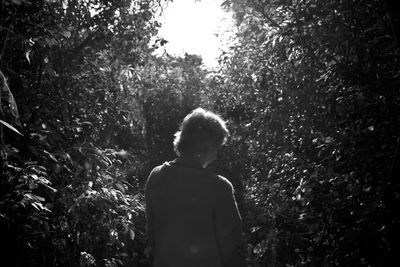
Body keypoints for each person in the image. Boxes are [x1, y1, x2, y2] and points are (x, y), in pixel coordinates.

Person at [145, 108, 247, 267]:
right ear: (208, 147)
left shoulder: (156, 177)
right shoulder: (219, 188)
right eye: (217, 147)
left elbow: (152, 236)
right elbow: (232, 248)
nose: (216, 154)